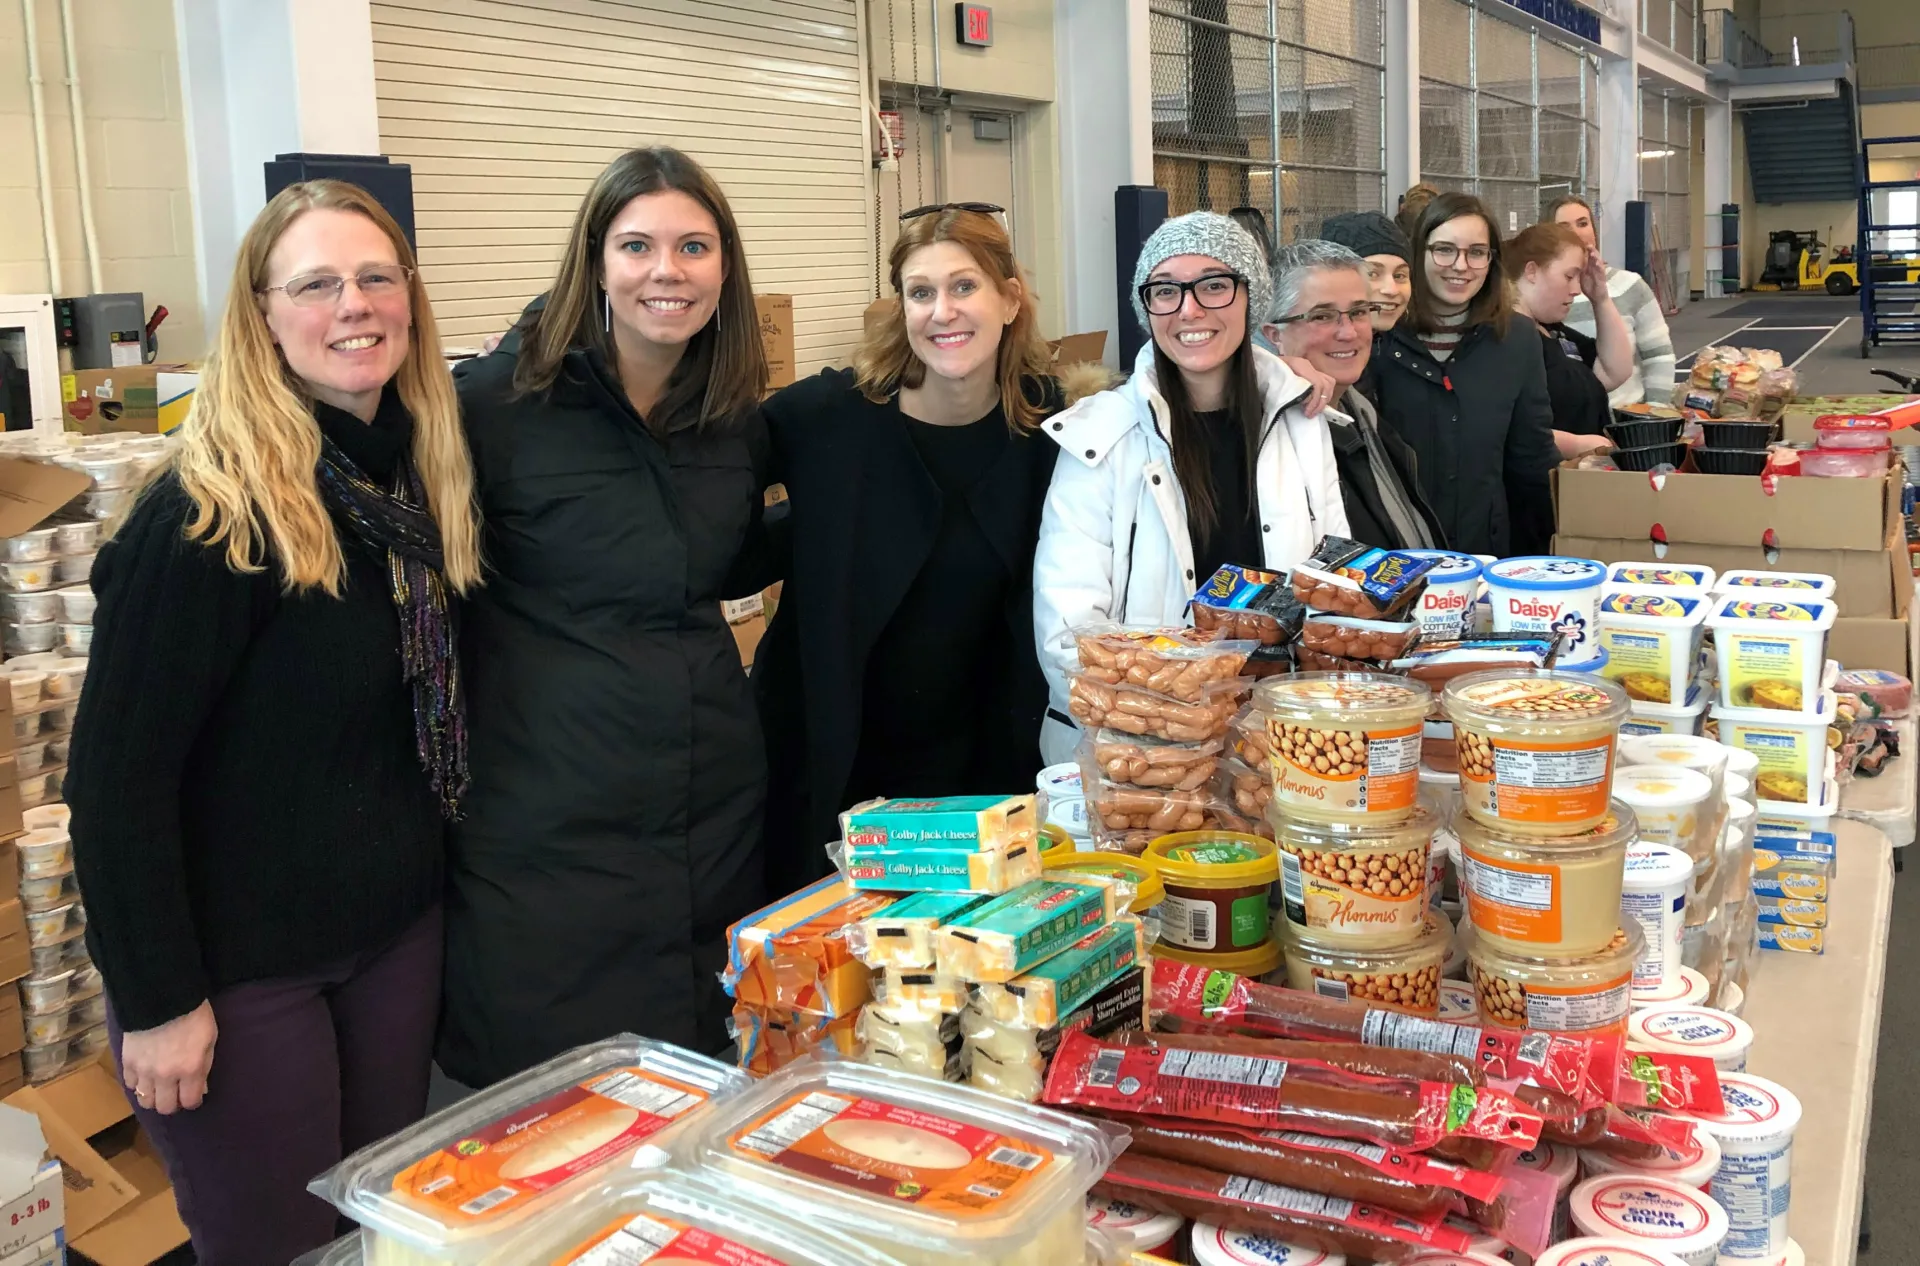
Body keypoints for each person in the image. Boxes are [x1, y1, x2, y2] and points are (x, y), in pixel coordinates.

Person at [65, 180, 481, 1264]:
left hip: (392, 937)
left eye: (376, 277)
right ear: (261, 315)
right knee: (279, 1247)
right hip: (244, 971)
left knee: (379, 1230)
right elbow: (115, 785)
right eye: (317, 284)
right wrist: (158, 999)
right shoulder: (207, 514)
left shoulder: (413, 487)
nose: (354, 304)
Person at [443, 146, 772, 1086]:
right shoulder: (490, 413)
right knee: (550, 1123)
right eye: (637, 245)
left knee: (698, 1099)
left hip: (708, 822)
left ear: (724, 268)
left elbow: (745, 557)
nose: (666, 271)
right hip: (546, 831)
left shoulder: (730, 417)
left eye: (693, 247)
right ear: (593, 261)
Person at [755, 205, 1077, 889]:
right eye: (920, 292)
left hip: (983, 777)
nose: (942, 311)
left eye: (964, 287)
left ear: (1009, 299)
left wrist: (1292, 375)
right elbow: (700, 456)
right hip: (830, 769)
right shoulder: (826, 418)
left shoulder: (1054, 429)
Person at [1033, 212, 1347, 763]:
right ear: (1146, 308)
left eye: (1214, 284)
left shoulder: (1303, 421)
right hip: (1140, 754)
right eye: (1165, 290)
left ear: (1251, 297)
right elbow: (1069, 633)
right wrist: (1162, 730)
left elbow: (1330, 585)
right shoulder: (1101, 439)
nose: (1189, 308)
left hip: (1282, 742)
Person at [1366, 192, 1558, 557]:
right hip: (1395, 555)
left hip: (1484, 551)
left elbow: (1531, 456)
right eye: (1444, 249)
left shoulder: (1516, 339)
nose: (1460, 265)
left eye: (1476, 252)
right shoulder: (1379, 339)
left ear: (1491, 260)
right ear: (1419, 253)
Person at [1263, 239, 1443, 551]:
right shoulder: (1264, 436)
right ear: (1274, 334)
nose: (1348, 332)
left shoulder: (1361, 416)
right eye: (1322, 316)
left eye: (1358, 312)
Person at [1507, 222, 1635, 455]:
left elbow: (1614, 371)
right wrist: (1577, 445)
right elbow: (1506, 425)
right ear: (1531, 271)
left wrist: (1601, 298)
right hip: (1542, 482)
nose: (1577, 289)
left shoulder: (1553, 331)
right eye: (1569, 276)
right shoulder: (1506, 338)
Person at [1549, 195, 1677, 407]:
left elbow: (1659, 356)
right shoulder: (1543, 299)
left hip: (1629, 421)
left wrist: (1655, 413)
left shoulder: (1630, 286)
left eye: (1583, 223)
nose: (1577, 233)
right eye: (1564, 227)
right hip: (1573, 428)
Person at [1318, 211, 1414, 332]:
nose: (1392, 290)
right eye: (1372, 274)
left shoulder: (1413, 345)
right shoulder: (1303, 346)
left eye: (1399, 275)